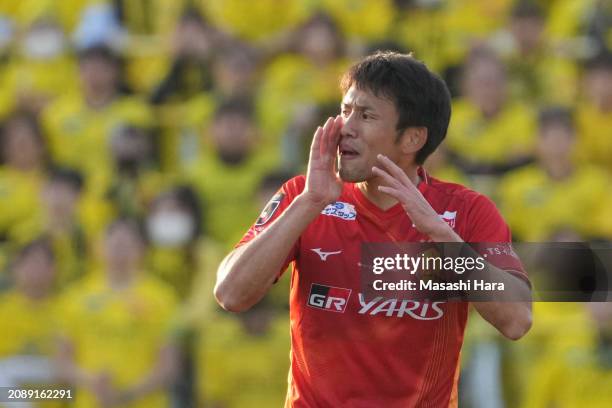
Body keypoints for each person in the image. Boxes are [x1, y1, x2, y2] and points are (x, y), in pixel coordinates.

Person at [214, 51, 532, 406]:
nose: (346, 127)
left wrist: (443, 238)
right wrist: (308, 203)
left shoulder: (466, 211)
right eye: (345, 110)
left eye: (365, 115)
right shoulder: (303, 198)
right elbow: (230, 294)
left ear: (412, 139)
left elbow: (517, 320)